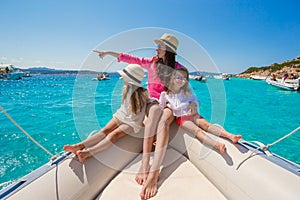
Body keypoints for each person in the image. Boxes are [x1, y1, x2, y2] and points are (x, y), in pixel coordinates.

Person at [93, 33, 185, 199]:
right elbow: (129, 58)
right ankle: (144, 164)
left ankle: (154, 173)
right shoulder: (151, 63)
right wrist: (107, 53)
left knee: (163, 119)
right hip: (153, 102)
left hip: (169, 102)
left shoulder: (178, 68)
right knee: (155, 112)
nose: (156, 49)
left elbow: (181, 90)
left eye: (160, 46)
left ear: (168, 50)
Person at [63, 64, 148, 163]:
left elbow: (147, 103)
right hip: (121, 116)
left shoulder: (143, 93)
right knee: (105, 130)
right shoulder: (126, 88)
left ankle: (88, 153)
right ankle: (79, 145)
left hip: (132, 122)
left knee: (114, 135)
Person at [159, 67, 242, 153]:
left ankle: (230, 136)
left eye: (183, 78)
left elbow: (196, 101)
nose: (180, 80)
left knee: (207, 125)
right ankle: (217, 145)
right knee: (198, 131)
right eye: (178, 77)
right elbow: (161, 106)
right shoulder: (165, 95)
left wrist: (194, 104)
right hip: (182, 118)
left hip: (194, 114)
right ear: (172, 79)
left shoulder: (187, 92)